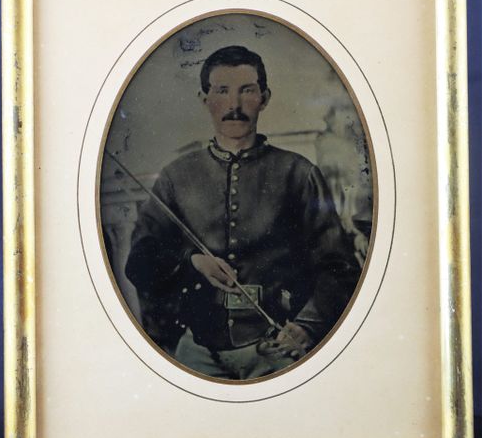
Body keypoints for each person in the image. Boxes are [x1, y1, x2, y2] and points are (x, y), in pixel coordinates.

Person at [125, 45, 361, 380]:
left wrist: (307, 326)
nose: (234, 106)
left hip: (278, 354)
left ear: (264, 98)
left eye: (246, 91)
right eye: (222, 91)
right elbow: (139, 263)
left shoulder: (299, 172)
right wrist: (191, 261)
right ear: (204, 98)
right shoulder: (175, 177)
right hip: (196, 356)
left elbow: (338, 268)